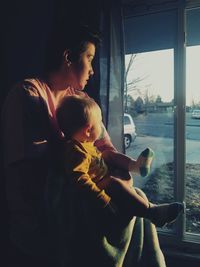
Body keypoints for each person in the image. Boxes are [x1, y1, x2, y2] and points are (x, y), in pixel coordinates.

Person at [56, 95, 184, 228]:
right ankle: (153, 212)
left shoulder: (86, 143)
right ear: (88, 130)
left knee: (108, 155)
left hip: (103, 175)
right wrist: (101, 198)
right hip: (99, 187)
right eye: (99, 122)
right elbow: (79, 179)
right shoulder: (76, 151)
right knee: (114, 183)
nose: (101, 127)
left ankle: (136, 165)